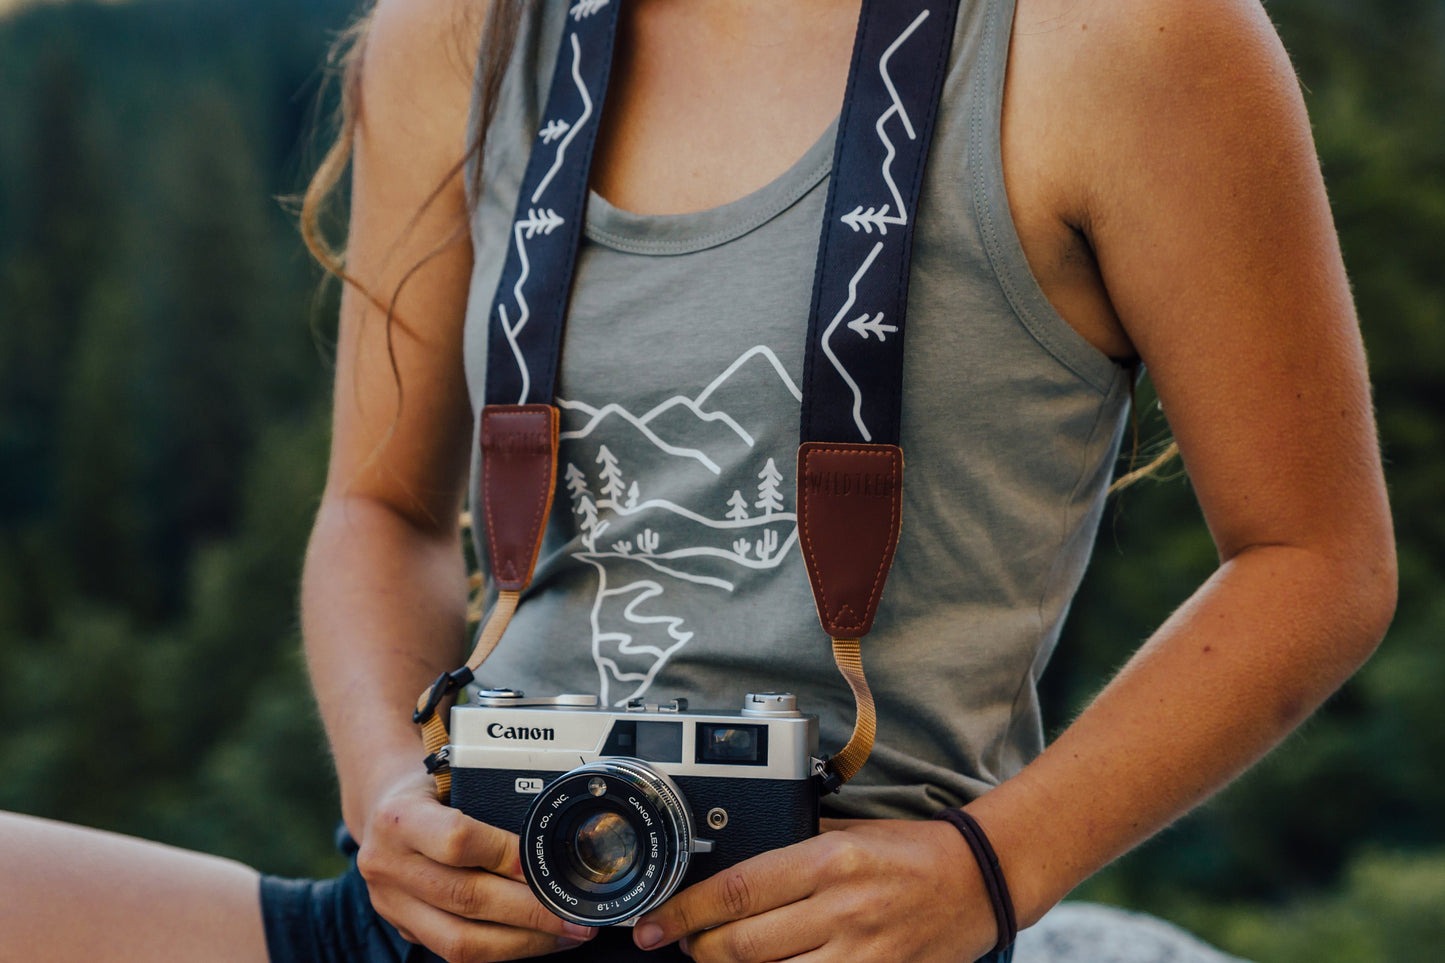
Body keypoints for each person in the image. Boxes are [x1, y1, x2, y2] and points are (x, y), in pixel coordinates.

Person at [0, 0, 1395, 961]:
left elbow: (1312, 557)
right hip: (481, 907)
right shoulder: (471, 31)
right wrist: (389, 809)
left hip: (840, 929)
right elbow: (380, 512)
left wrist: (986, 871)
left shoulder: (1123, 36)